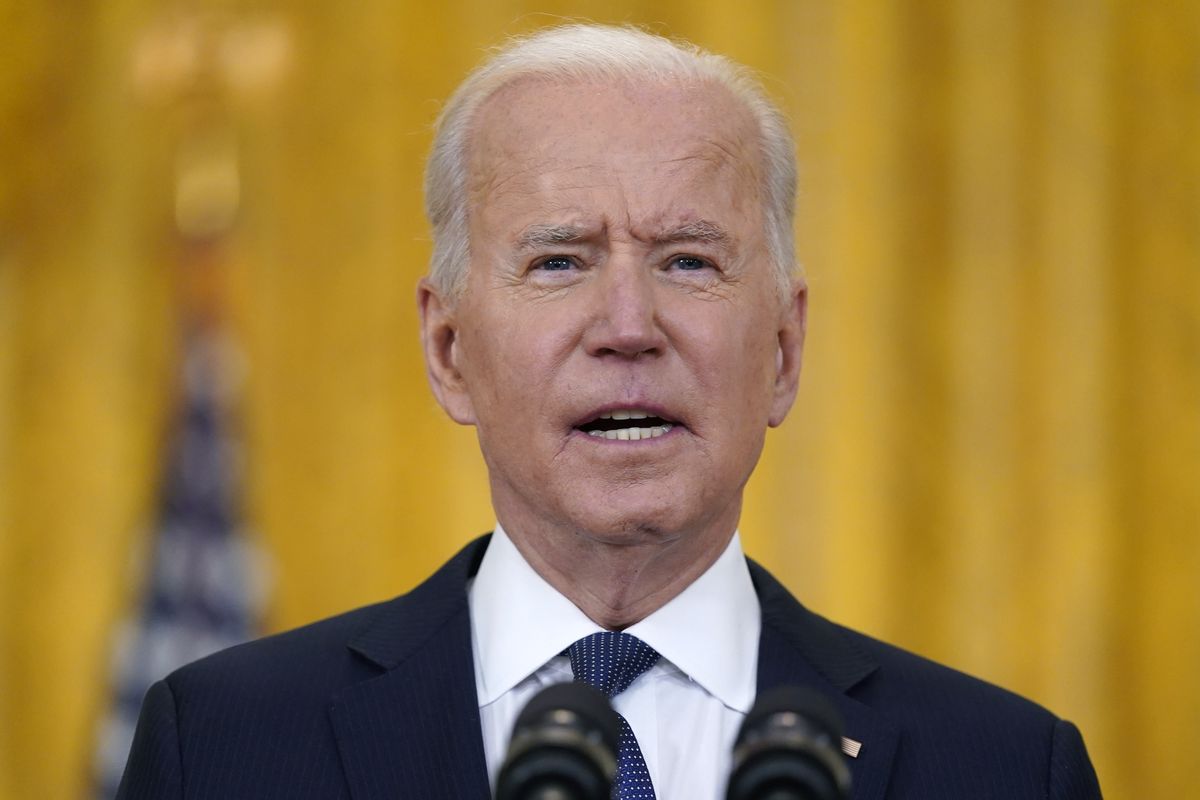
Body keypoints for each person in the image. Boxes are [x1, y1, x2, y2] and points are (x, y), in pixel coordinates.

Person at [117, 24, 1102, 799]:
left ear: (785, 350)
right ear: (449, 348)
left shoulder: (1002, 767)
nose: (628, 325)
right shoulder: (225, 746)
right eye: (559, 260)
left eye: (688, 259)